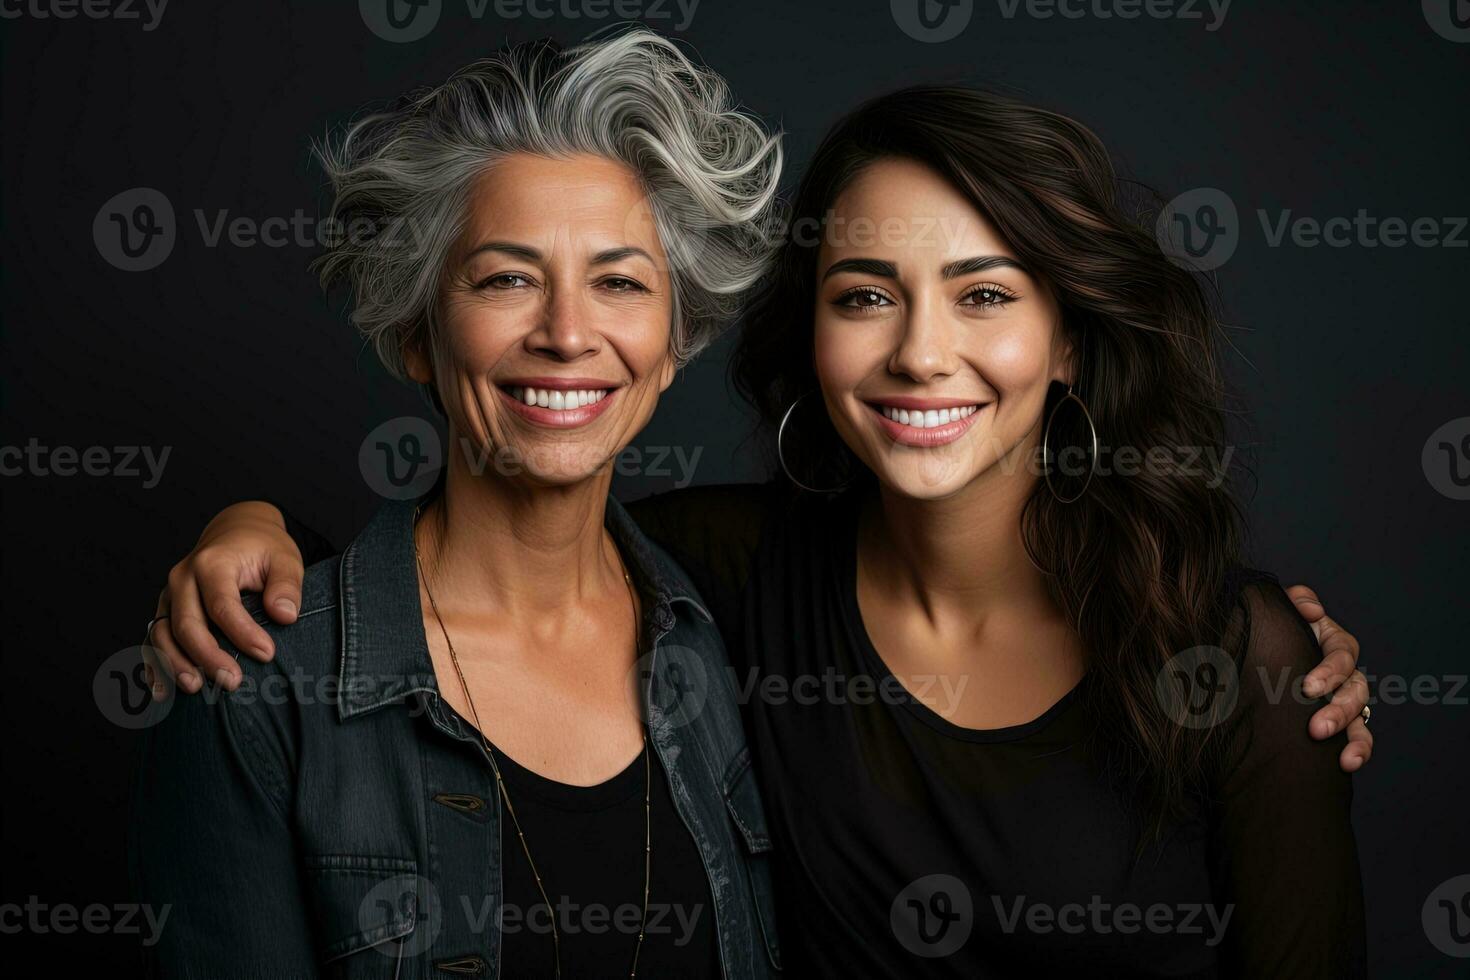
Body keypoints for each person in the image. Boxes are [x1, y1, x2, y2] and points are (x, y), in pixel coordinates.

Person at [142, 82, 1373, 975]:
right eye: (864, 296)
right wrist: (257, 532)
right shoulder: (731, 576)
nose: (921, 350)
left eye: (985, 293)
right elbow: (464, 565)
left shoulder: (1239, 661)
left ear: (1071, 342)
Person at [129, 31, 785, 978]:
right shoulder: (261, 685)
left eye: (619, 282)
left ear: (673, 341)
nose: (567, 333)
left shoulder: (730, 623)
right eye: (507, 278)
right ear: (416, 332)